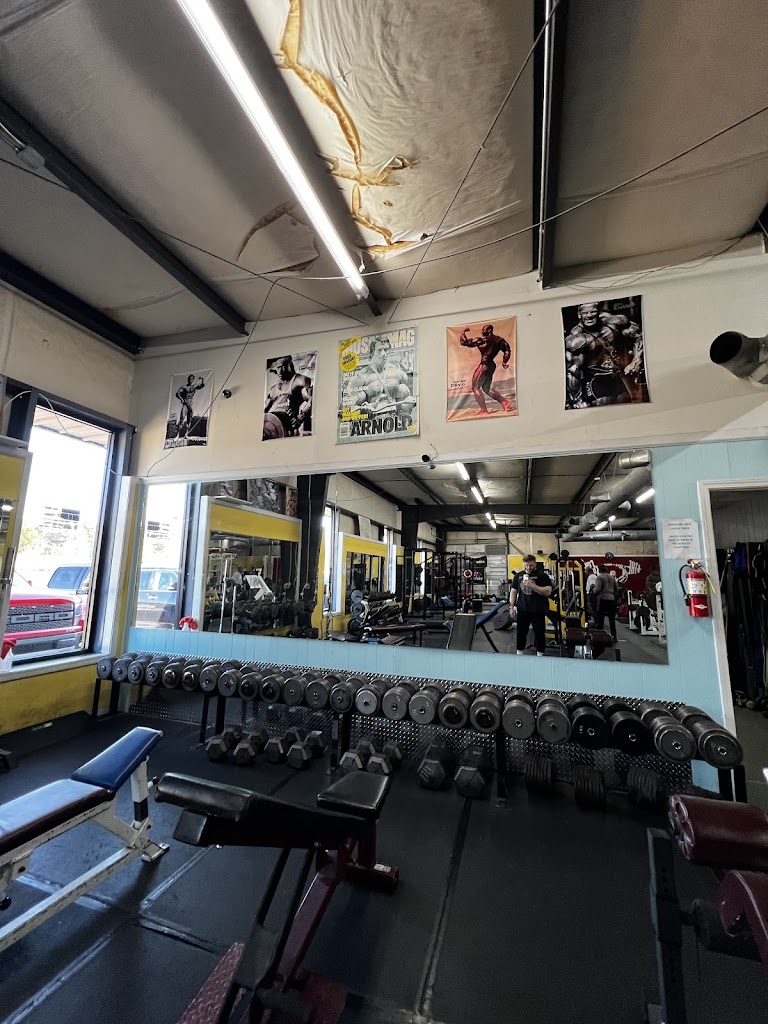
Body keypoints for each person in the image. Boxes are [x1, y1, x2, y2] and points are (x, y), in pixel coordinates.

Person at [564, 302, 644, 408]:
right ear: (579, 314)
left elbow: (638, 335)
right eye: (585, 313)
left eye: (593, 312)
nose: (589, 315)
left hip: (618, 381)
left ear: (598, 311)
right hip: (596, 386)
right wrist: (577, 401)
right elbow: (572, 371)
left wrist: (635, 361)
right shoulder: (577, 338)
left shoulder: (614, 322)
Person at [352, 336, 415, 420]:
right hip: (372, 420)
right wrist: (362, 411)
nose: (383, 354)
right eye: (379, 350)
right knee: (361, 396)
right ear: (372, 353)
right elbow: (349, 407)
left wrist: (408, 404)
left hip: (394, 419)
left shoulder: (397, 372)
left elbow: (410, 398)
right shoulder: (362, 375)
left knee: (403, 389)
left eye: (386, 350)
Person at [459, 323, 513, 415]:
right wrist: (504, 362)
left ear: (489, 330)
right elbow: (507, 350)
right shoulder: (499, 340)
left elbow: (464, 342)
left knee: (475, 387)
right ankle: (505, 403)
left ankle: (484, 410)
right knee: (486, 388)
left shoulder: (482, 340)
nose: (481, 332)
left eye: (483, 330)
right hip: (491, 365)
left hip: (484, 365)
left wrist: (463, 332)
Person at [509, 555, 553, 656]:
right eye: (527, 565)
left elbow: (548, 591)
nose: (529, 567)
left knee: (539, 633)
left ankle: (540, 655)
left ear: (535, 564)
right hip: (523, 609)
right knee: (521, 633)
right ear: (524, 564)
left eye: (531, 565)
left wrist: (533, 586)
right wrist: (511, 607)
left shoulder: (542, 576)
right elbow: (513, 591)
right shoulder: (518, 576)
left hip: (538, 609)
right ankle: (519, 654)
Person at [263, 356, 313, 438]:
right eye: (278, 368)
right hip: (271, 429)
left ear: (289, 365)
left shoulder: (300, 381)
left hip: (288, 429)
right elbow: (263, 412)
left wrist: (300, 418)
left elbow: (313, 399)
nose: (280, 371)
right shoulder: (272, 389)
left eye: (282, 367)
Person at [594, 567, 620, 640]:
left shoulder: (599, 577)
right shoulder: (612, 578)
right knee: (611, 619)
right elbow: (617, 588)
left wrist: (593, 591)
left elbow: (598, 589)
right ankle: (614, 636)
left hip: (602, 598)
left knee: (600, 618)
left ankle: (599, 636)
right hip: (611, 598)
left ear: (599, 570)